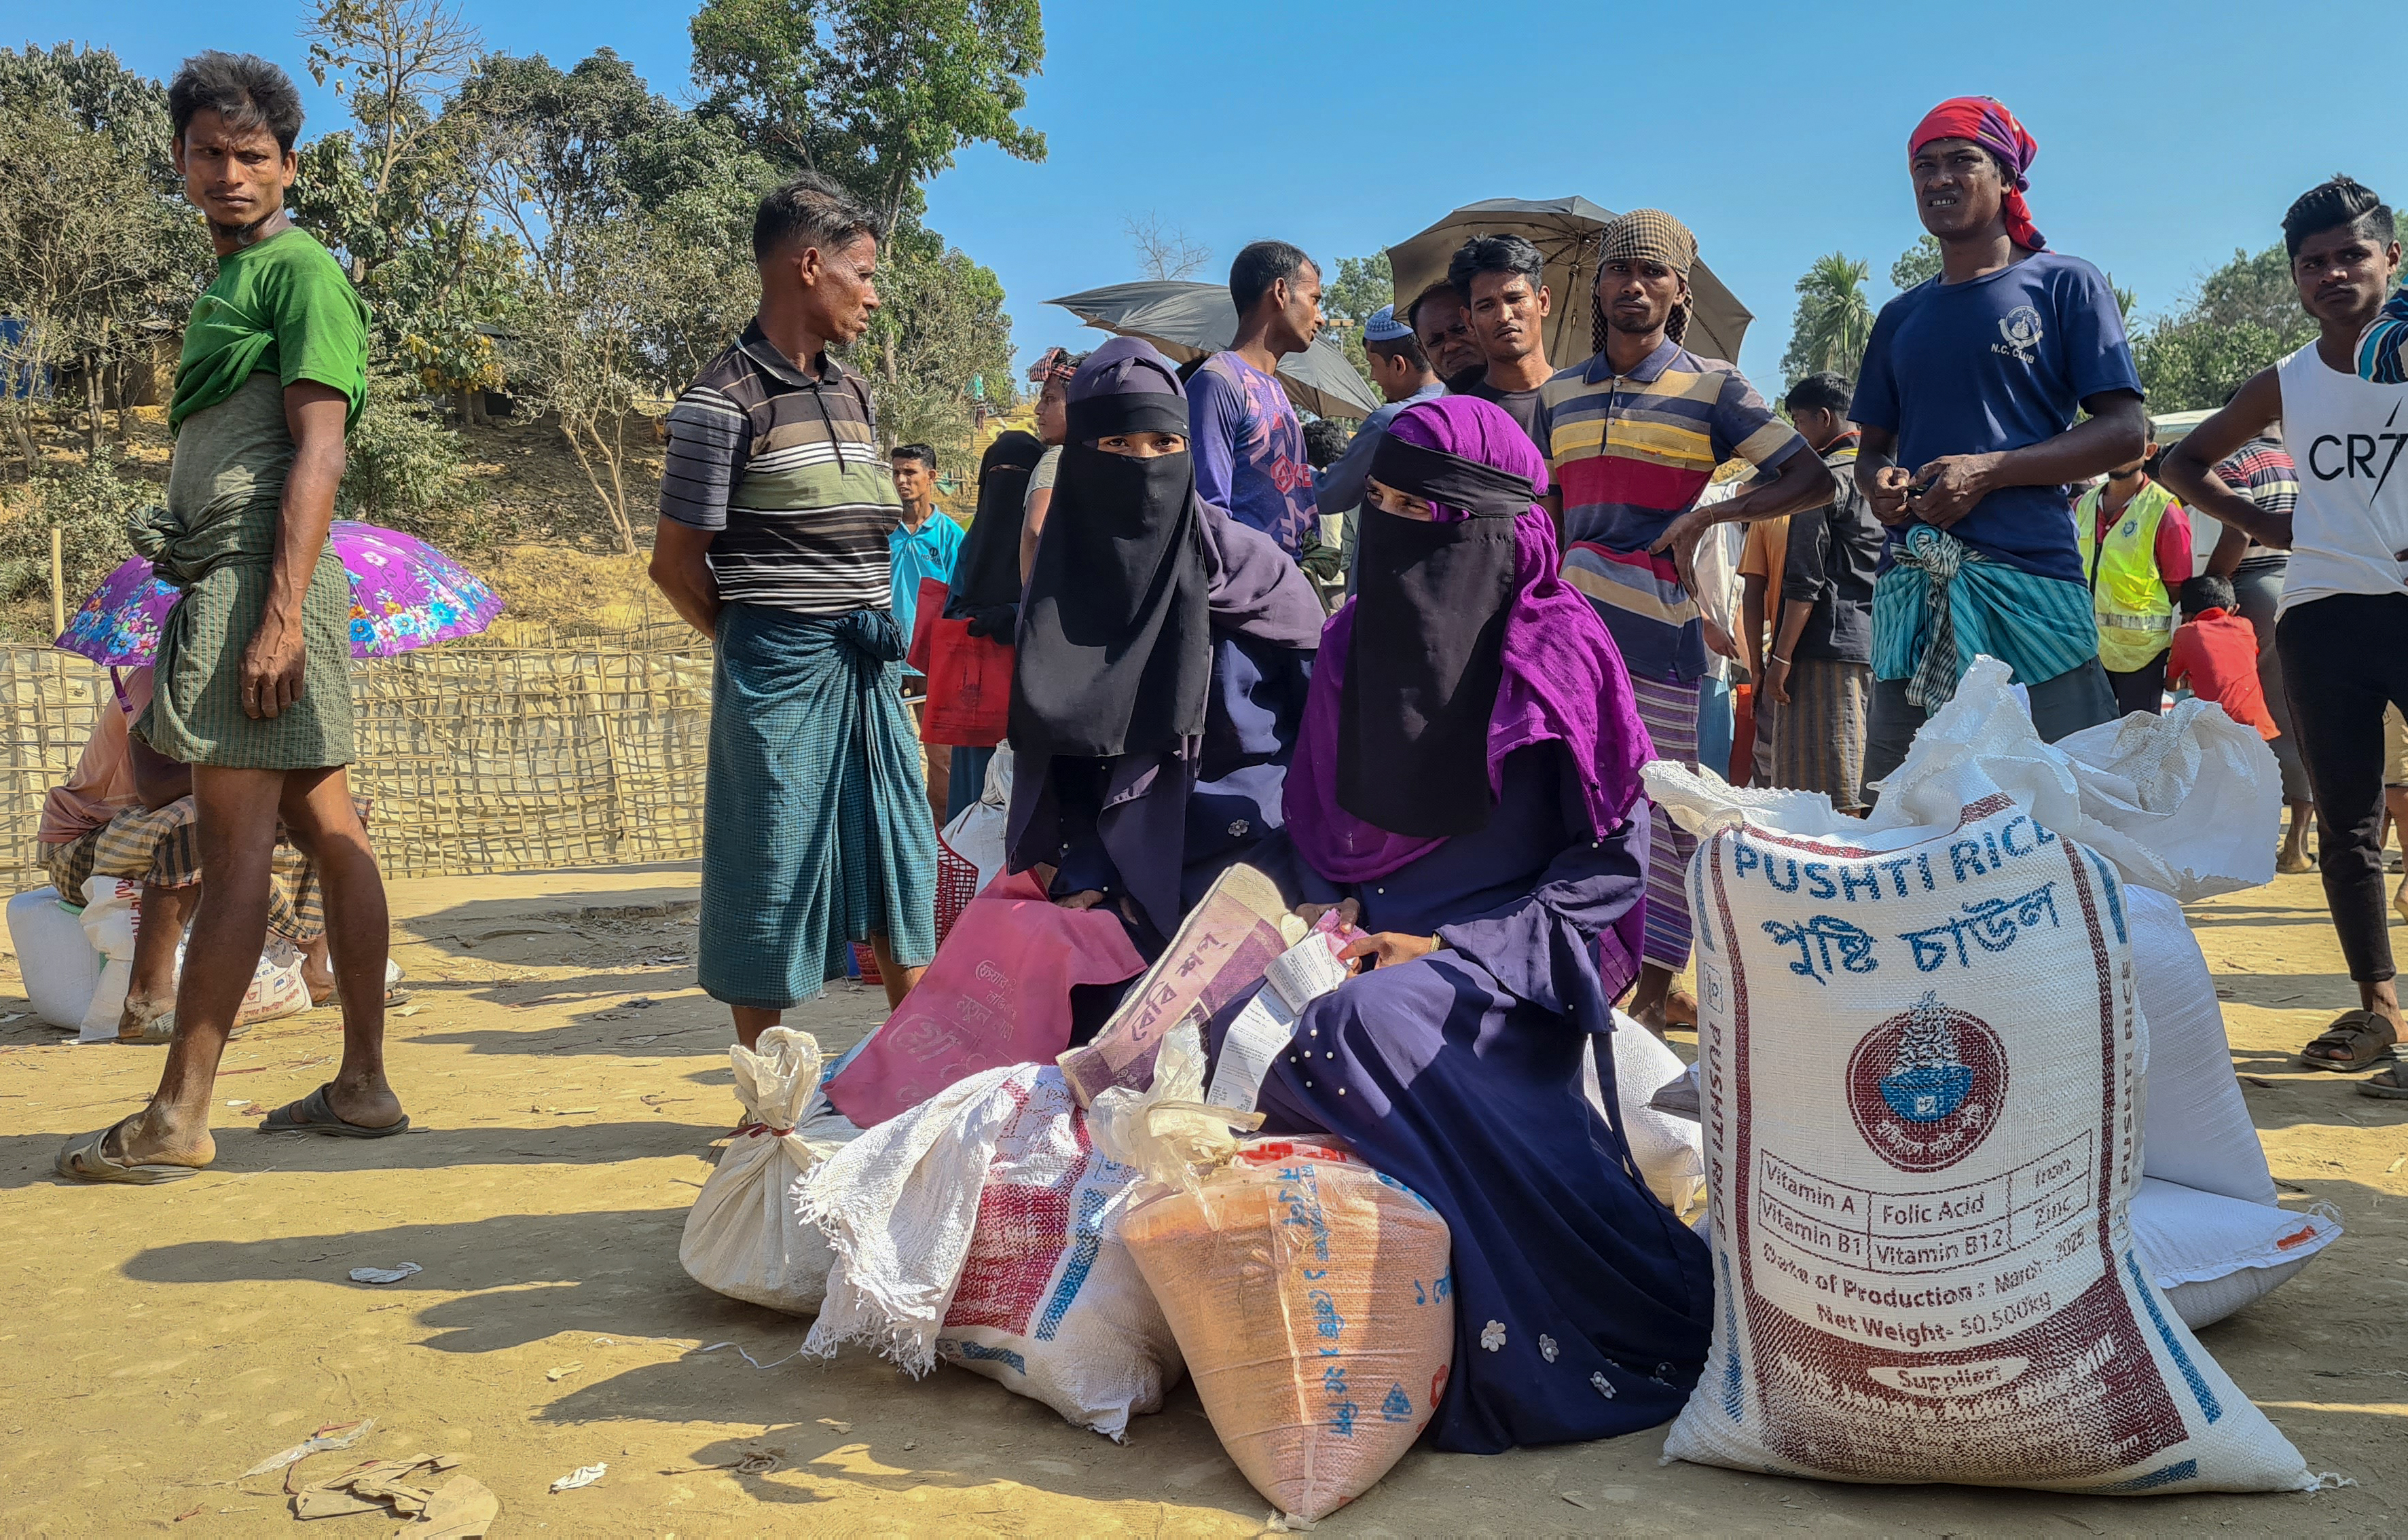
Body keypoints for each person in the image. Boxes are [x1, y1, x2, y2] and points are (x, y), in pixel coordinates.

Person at [1247, 393, 1711, 1452]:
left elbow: (1606, 870)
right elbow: (1316, 832)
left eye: (1434, 510)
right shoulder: (1353, 640)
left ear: (1505, 525)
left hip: (1509, 974)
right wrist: (1320, 913)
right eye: (1386, 503)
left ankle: (1504, 1330)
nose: (1405, 528)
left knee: (1366, 1025)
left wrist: (1453, 950)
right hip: (1362, 952)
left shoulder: (1559, 652)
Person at [55, 54, 396, 1184]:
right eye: (210, 152)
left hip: (262, 581)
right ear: (181, 161)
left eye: (254, 155)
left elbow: (320, 446)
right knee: (329, 829)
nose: (231, 172)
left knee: (240, 845)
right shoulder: (230, 280)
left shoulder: (301, 272)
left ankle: (179, 1112)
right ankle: (360, 1085)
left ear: (289, 167)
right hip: (237, 577)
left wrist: (279, 615)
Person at [649, 170, 933, 1046]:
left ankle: (916, 1082)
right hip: (779, 672)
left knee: (901, 865)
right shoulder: (718, 403)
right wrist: (757, 639)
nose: (875, 296)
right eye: (865, 273)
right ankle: (767, 1100)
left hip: (869, 673)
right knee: (766, 866)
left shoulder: (852, 394)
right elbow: (673, 565)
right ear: (811, 266)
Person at [1537, 208, 1830, 1029]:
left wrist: (1712, 514)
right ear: (1595, 286)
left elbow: (1812, 479)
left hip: (1661, 634)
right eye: (1620, 270)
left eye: (1653, 274)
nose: (1635, 286)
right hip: (1568, 635)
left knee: (1664, 809)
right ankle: (1586, 964)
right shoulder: (1558, 393)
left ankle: (1660, 986)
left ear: (1679, 291)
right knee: (1573, 797)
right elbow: (1549, 510)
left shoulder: (1714, 386)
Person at [2159, 175, 2408, 1095]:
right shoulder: (2288, 382)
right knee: (2345, 829)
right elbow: (2177, 463)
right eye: (2312, 264)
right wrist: (2271, 532)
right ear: (2295, 281)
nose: (2333, 273)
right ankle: (2378, 1009)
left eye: (2351, 253)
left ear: (2390, 257)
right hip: (2321, 614)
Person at [1853, 96, 2146, 791]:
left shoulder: (2064, 284)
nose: (1939, 179)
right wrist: (1879, 484)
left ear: (2008, 177)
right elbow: (1872, 451)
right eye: (1924, 166)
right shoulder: (1900, 318)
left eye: (1962, 161)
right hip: (1915, 600)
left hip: (2032, 590)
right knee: (1907, 818)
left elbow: (2127, 430)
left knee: (2068, 809)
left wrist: (1991, 472)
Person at [1007, 337, 1323, 959]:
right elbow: (1060, 759)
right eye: (1117, 445)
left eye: (1164, 444)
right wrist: (1090, 868)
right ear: (1080, 455)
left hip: (1260, 854)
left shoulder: (1256, 573)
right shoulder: (1060, 591)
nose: (1143, 465)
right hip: (1109, 864)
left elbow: (1326, 737)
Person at [37, 668, 359, 1040]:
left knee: (327, 814)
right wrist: (253, 766)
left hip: (148, 830)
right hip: (84, 845)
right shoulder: (154, 678)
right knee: (194, 818)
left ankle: (315, 970)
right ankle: (146, 1000)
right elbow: (155, 788)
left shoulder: (256, 685)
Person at [1761, 371, 1883, 811]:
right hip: (1876, 646)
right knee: (1868, 767)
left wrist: (1780, 660)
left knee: (1825, 788)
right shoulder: (1884, 480)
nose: (1797, 433)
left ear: (1824, 418)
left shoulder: (1822, 482)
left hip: (1823, 648)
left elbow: (1804, 582)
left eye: (1798, 422)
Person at [2202, 426, 2316, 870]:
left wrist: (2211, 584)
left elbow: (2238, 534)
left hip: (2258, 592)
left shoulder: (2238, 462)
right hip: (2308, 586)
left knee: (2262, 715)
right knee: (2304, 711)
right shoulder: (2304, 459)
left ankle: (2254, 836)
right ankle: (2298, 844)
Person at [1187, 240, 1323, 559]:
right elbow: (1208, 513)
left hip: (1288, 583)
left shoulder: (1275, 388)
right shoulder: (1218, 382)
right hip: (1247, 593)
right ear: (1280, 292)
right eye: (1314, 300)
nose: (1320, 318)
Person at [941, 428, 1046, 820]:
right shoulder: (972, 542)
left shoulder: (1054, 538)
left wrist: (1016, 616)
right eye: (998, 473)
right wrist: (974, 621)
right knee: (976, 806)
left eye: (1020, 474)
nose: (1007, 484)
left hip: (1035, 694)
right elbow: (953, 608)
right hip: (979, 701)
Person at [1315, 304, 1446, 595]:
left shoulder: (1390, 422)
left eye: (1373, 365)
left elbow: (1330, 494)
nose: (1373, 377)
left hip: (1388, 586)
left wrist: (1300, 473)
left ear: (1399, 365)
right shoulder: (1464, 407)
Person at [2073, 427, 2192, 715]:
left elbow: (2177, 585)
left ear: (2149, 451)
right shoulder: (2082, 505)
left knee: (2140, 739)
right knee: (2087, 737)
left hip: (2142, 654)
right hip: (2087, 649)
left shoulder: (2165, 511)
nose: (2117, 450)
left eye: (2128, 442)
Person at [888, 442, 965, 819]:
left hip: (935, 664)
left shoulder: (950, 537)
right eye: (896, 472)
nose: (902, 481)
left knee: (943, 760)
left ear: (931, 477)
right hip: (884, 662)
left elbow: (961, 600)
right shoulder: (881, 533)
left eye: (910, 472)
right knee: (884, 757)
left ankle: (941, 843)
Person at [1448, 235, 1554, 453]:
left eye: (1515, 299)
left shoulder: (1585, 401)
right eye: (1486, 306)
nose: (1504, 316)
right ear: (1469, 321)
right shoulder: (1460, 421)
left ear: (1542, 302)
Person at [2166, 576, 2278, 739]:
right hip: (2257, 728)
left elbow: (2171, 685)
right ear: (2234, 610)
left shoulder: (2186, 633)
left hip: (2216, 730)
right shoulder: (2245, 626)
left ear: (2185, 617)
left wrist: (2186, 682)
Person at [1732, 470, 1789, 786]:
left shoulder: (1772, 514)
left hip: (1778, 664)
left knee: (1770, 772)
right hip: (1851, 654)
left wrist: (1758, 668)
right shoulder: (1868, 501)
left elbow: (1752, 595)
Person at [1016, 346, 1079, 581]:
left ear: (1077, 403)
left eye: (1050, 398)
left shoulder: (1056, 459)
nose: (1038, 409)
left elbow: (1035, 531)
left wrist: (1033, 607)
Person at [1408, 282, 1484, 392]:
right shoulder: (1440, 409)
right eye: (1435, 342)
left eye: (1460, 329)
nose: (1450, 346)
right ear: (1424, 353)